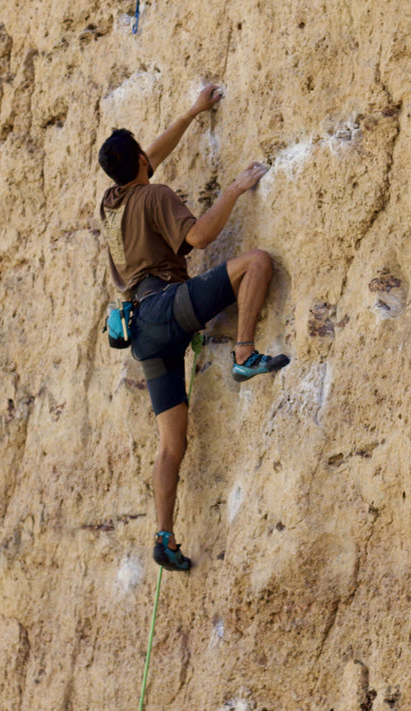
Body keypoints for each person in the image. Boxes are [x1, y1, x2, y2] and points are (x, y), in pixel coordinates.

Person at [97, 84, 290, 572]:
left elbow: (149, 156)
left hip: (141, 333)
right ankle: (244, 355)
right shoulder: (154, 195)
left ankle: (164, 536)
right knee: (257, 263)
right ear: (141, 161)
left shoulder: (112, 202)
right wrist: (235, 189)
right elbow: (200, 236)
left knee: (171, 444)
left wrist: (191, 113)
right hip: (168, 307)